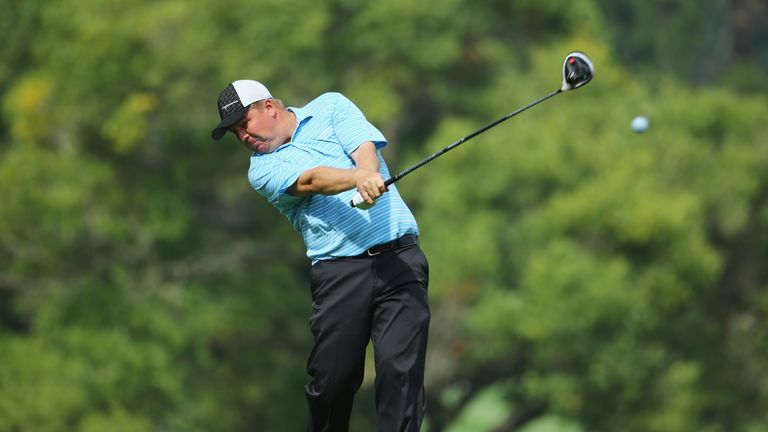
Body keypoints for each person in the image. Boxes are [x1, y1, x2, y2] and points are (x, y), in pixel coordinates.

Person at [211, 80, 430, 432]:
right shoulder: (261, 170)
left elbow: (362, 145)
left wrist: (368, 172)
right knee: (333, 379)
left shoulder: (330, 106)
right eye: (235, 132)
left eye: (244, 123)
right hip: (340, 274)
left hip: (399, 259)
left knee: (400, 372)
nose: (243, 136)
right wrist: (358, 178)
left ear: (269, 107)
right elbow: (311, 180)